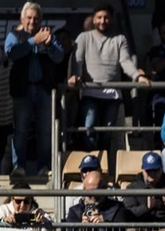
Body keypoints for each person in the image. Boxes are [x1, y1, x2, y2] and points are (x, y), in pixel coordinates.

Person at [67, 5, 148, 149]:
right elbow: (77, 61)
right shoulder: (84, 37)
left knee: (107, 134)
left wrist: (137, 77)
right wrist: (75, 76)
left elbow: (125, 61)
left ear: (111, 19)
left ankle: (102, 167)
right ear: (94, 19)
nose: (102, 21)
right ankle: (90, 165)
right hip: (89, 93)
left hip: (112, 96)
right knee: (88, 129)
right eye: (99, 17)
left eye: (106, 17)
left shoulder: (119, 39)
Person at [5, 4, 64, 176]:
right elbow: (11, 53)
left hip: (44, 89)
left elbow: (59, 57)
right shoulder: (14, 35)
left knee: (45, 131)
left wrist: (49, 44)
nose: (32, 21)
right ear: (22, 19)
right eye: (29, 18)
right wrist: (33, 41)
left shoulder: (47, 34)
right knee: (21, 130)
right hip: (23, 90)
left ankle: (43, 168)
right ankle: (19, 168)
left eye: (36, 18)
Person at [63, 166, 127, 231]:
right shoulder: (75, 211)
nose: (93, 196)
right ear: (83, 190)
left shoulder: (117, 209)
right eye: (90, 193)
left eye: (96, 192)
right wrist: (82, 229)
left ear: (104, 189)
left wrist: (106, 225)